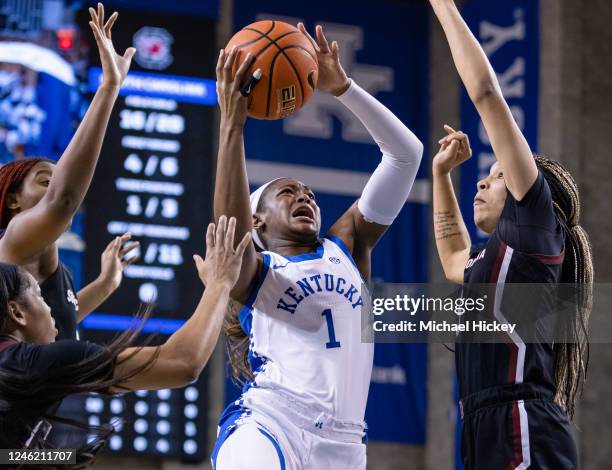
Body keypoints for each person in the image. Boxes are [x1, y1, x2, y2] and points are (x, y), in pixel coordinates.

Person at [212, 24, 424, 470]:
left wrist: (343, 88)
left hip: (345, 448)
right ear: (258, 219)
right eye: (287, 192)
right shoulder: (255, 270)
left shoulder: (345, 247)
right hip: (269, 424)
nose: (304, 196)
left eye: (308, 192)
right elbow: (231, 229)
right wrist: (232, 125)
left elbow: (406, 154)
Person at [429, 1, 593, 468]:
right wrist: (441, 176)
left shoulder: (536, 229)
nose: (481, 182)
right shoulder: (496, 261)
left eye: (498, 175)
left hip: (522, 420)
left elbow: (484, 94)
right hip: (483, 426)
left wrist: (444, 7)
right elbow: (453, 257)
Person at [0, 216, 250, 468]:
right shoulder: (32, 363)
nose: (51, 309)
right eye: (40, 297)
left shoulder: (17, 364)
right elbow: (182, 363)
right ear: (17, 313)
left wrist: (62, 458)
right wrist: (220, 283)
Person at [0, 3, 135, 340]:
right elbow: (64, 200)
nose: (57, 185)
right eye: (47, 181)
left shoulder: (45, 261)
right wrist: (109, 88)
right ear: (13, 200)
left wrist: (105, 284)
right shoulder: (14, 238)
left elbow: (62, 316)